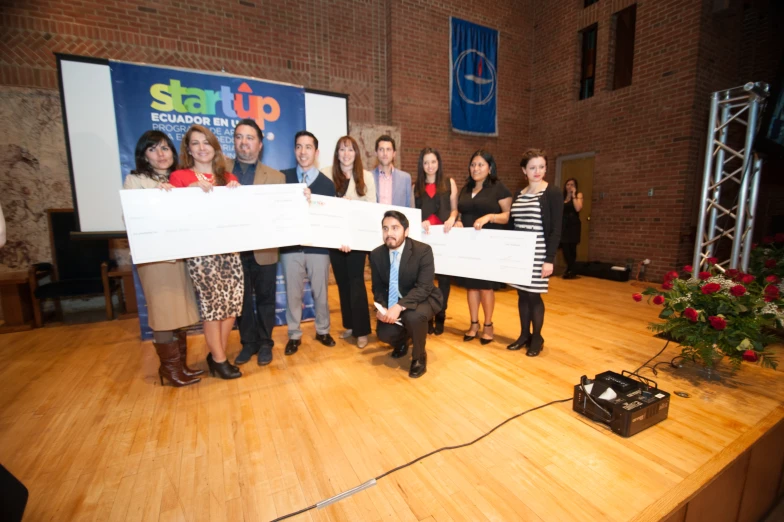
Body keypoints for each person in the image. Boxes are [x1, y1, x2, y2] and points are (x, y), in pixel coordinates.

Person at [123, 130, 203, 387]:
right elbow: (133, 218)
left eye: (165, 148)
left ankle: (179, 366)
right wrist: (159, 195)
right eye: (153, 149)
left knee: (179, 310)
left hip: (180, 255)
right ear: (143, 155)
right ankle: (170, 370)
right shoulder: (135, 181)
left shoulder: (182, 179)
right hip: (155, 258)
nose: (160, 154)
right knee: (163, 311)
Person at [169, 125, 243, 379]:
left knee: (231, 306)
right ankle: (221, 359)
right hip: (202, 253)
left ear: (215, 147)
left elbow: (242, 217)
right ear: (188, 149)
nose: (202, 148)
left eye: (206, 143)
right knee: (213, 307)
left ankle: (216, 355)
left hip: (230, 251)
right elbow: (173, 215)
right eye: (195, 143)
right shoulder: (179, 179)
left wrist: (239, 197)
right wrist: (185, 194)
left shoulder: (229, 179)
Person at [226, 118, 286, 366]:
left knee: (265, 298)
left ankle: (265, 343)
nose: (244, 142)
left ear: (260, 144)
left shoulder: (276, 177)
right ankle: (247, 343)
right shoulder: (221, 172)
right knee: (240, 301)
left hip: (264, 249)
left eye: (250, 138)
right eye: (239, 137)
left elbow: (282, 211)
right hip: (233, 250)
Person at [280, 131, 337, 356]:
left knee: (321, 292)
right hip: (290, 247)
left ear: (316, 152)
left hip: (318, 247)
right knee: (292, 293)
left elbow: (331, 216)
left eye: (308, 147)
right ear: (294, 150)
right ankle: (294, 334)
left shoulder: (327, 184)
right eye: (299, 147)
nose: (303, 152)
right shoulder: (283, 179)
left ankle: (323, 330)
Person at [370, 211, 443, 378]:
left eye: (395, 228)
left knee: (413, 316)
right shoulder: (376, 254)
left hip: (424, 298)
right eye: (385, 228)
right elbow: (378, 287)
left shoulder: (422, 251)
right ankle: (403, 342)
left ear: (406, 231)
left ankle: (419, 356)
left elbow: (424, 287)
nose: (389, 233)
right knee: (384, 333)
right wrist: (381, 308)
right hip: (395, 300)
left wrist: (399, 306)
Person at [507, 149, 563, 357]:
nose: (537, 171)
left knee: (534, 295)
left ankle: (537, 337)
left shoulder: (553, 193)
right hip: (521, 253)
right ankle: (524, 335)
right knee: (522, 294)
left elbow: (556, 229)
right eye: (532, 167)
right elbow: (514, 225)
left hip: (539, 253)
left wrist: (549, 259)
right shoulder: (519, 194)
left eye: (541, 167)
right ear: (524, 170)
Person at [322, 136, 377, 349]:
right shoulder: (326, 174)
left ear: (356, 153)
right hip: (335, 238)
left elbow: (371, 207)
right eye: (342, 150)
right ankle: (350, 326)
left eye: (350, 149)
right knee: (342, 282)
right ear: (337, 154)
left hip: (356, 239)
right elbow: (321, 204)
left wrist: (351, 205)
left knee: (356, 283)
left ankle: (362, 330)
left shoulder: (366, 177)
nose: (346, 154)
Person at [454, 150, 512, 345]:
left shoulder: (498, 188)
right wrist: (458, 221)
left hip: (489, 244)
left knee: (486, 287)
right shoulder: (465, 188)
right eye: (473, 164)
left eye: (480, 164)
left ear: (490, 168)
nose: (475, 168)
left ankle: (488, 325)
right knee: (471, 287)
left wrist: (489, 217)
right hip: (468, 244)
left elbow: (507, 216)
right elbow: (462, 212)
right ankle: (473, 324)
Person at [414, 147, 458, 335]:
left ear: (438, 163)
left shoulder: (449, 183)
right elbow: (414, 213)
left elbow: (455, 209)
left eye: (433, 161)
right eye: (426, 162)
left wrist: (452, 219)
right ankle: (428, 316)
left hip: (445, 237)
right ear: (421, 165)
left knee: (444, 281)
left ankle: (440, 315)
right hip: (426, 239)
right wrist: (420, 221)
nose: (430, 166)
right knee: (426, 281)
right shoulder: (416, 186)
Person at [372, 135, 412, 207]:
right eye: (381, 149)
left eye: (388, 149)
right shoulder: (367, 177)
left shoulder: (405, 179)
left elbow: (408, 207)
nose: (385, 153)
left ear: (394, 153)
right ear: (376, 153)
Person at [560, 177, 583, 279]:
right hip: (564, 225)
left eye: (572, 184)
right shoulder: (562, 197)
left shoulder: (578, 195)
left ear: (575, 186)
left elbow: (578, 208)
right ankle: (571, 268)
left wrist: (573, 196)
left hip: (573, 224)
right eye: (568, 184)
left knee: (572, 247)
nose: (569, 186)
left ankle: (571, 269)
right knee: (565, 247)